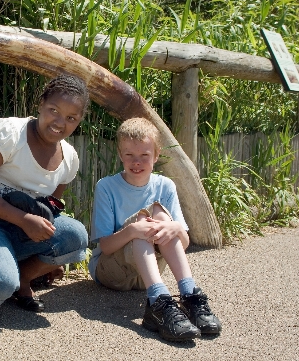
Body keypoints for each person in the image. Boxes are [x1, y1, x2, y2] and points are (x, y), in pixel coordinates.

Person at [0, 74, 91, 312]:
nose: (59, 122)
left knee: (75, 236)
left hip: (17, 229)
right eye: (53, 110)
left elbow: (50, 207)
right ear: (40, 104)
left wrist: (45, 261)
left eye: (70, 118)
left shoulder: (69, 158)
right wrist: (24, 219)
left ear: (79, 121)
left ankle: (23, 278)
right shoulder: (11, 133)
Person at [88, 117, 222, 342]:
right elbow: (106, 246)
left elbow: (184, 243)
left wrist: (175, 227)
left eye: (144, 155)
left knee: (161, 217)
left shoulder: (165, 186)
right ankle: (160, 303)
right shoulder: (107, 187)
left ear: (156, 156)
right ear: (120, 155)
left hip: (148, 276)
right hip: (111, 272)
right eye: (129, 155)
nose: (136, 162)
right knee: (147, 219)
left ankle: (189, 295)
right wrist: (133, 230)